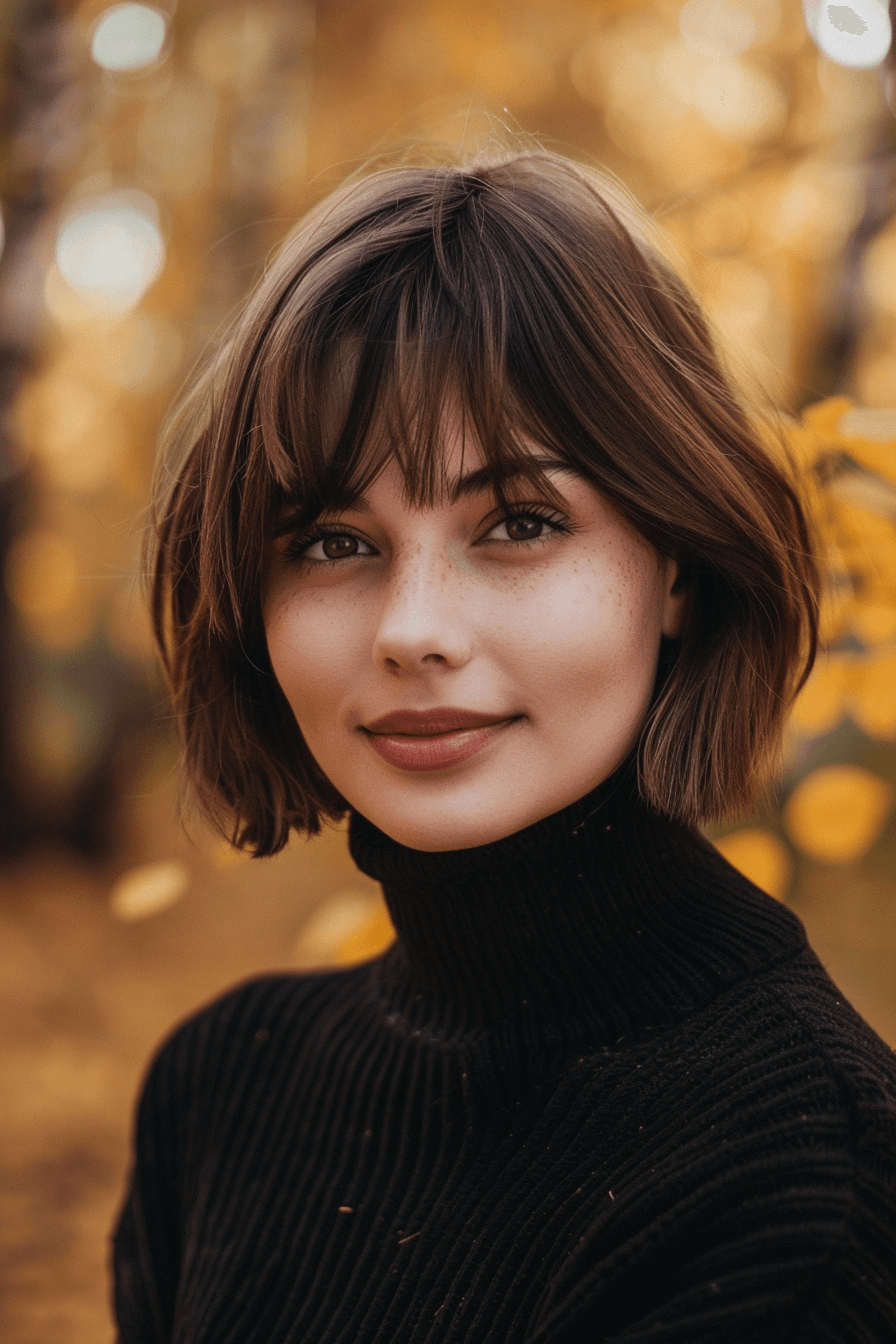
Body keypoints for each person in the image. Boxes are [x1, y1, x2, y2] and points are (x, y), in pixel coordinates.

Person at [111, 148, 896, 1343]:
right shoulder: (219, 1089)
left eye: (520, 522)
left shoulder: (799, 1179)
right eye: (330, 539)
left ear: (676, 561)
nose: (412, 630)